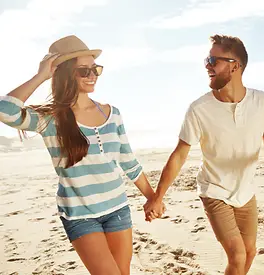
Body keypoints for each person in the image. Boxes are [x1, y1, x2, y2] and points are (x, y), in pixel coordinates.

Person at [0, 35, 163, 275]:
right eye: (84, 71)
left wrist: (152, 197)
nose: (92, 75)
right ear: (65, 74)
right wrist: (41, 76)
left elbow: (128, 161)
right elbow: (6, 111)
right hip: (80, 215)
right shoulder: (50, 119)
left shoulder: (112, 113)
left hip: (117, 208)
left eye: (95, 69)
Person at [144, 34, 264, 275]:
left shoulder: (262, 101)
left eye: (213, 60)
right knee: (237, 254)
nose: (207, 66)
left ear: (235, 65)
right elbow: (180, 154)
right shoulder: (199, 108)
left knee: (250, 251)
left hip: (245, 190)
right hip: (214, 189)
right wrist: (158, 196)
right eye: (206, 60)